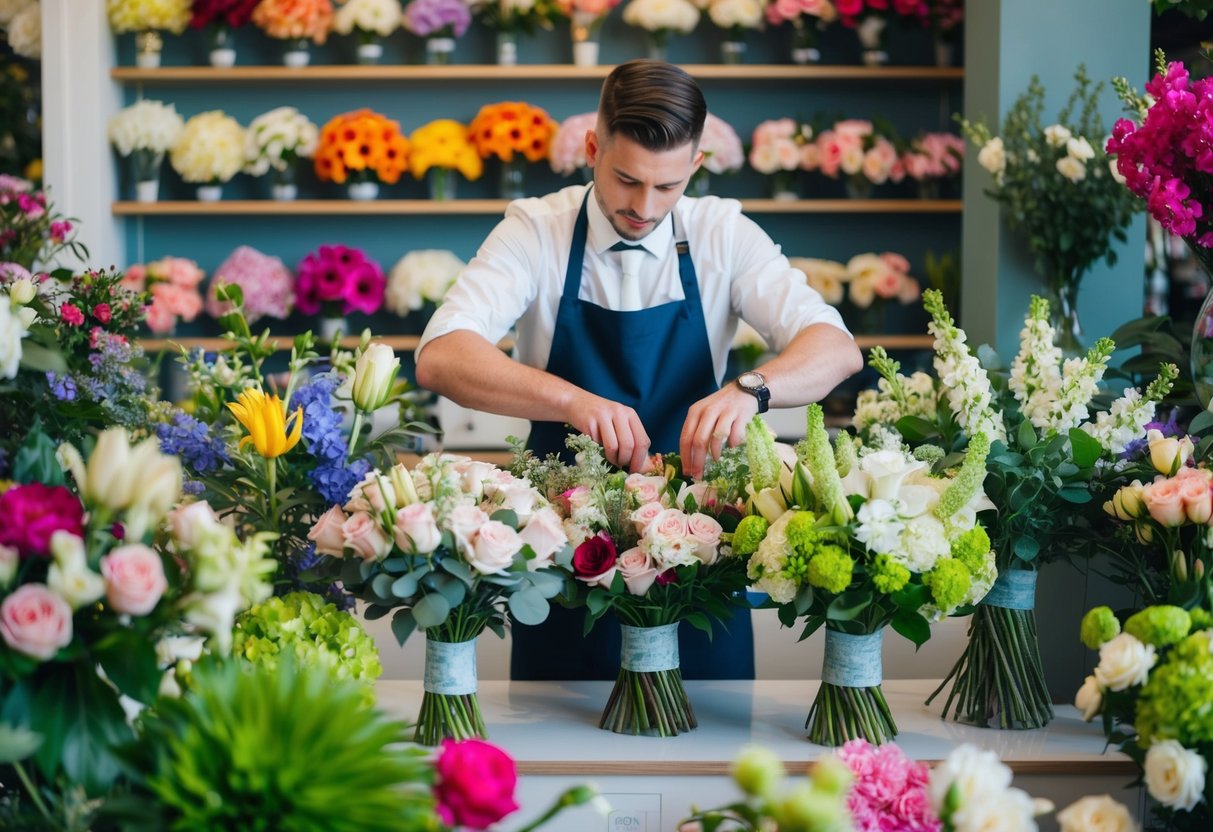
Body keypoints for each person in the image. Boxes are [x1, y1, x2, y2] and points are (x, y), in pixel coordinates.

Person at [415, 59, 863, 681]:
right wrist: (573, 401)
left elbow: (836, 348)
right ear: (593, 148)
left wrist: (751, 390)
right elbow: (441, 355)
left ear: (696, 167)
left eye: (667, 186)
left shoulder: (721, 233)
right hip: (569, 559)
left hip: (699, 562)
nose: (644, 206)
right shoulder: (536, 231)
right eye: (627, 180)